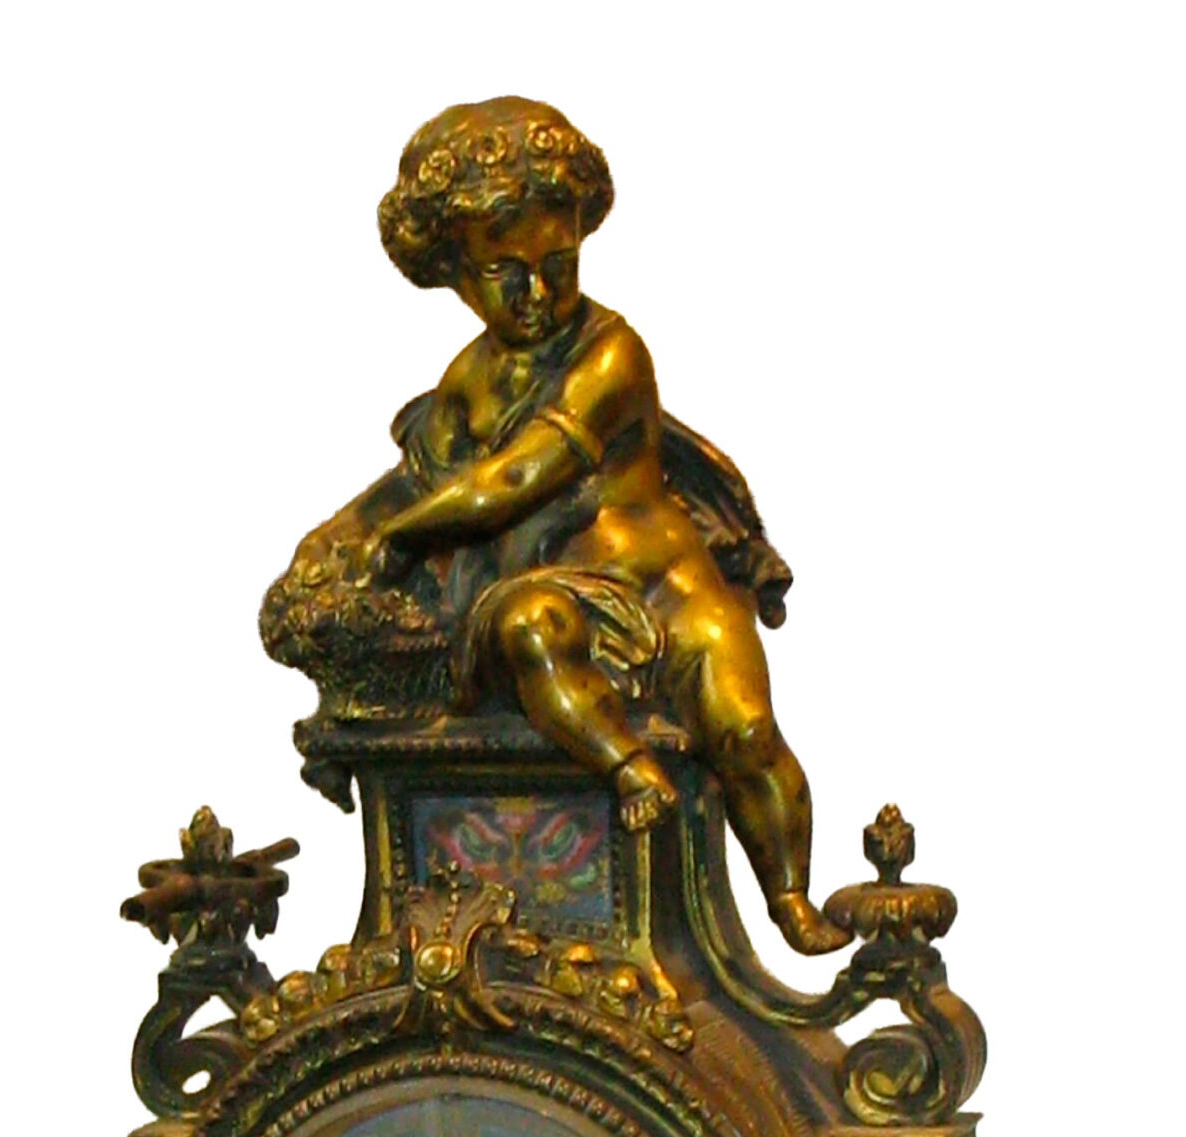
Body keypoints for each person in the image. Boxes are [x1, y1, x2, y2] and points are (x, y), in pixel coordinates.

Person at [278, 98, 849, 958]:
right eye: (504, 272)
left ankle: (789, 899)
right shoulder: (466, 383)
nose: (538, 293)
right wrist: (332, 546)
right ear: (452, 272)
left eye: (559, 263)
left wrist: (396, 539)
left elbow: (512, 480)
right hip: (550, 597)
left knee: (744, 732)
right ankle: (626, 769)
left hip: (666, 590)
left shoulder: (610, 352)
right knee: (527, 629)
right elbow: (414, 482)